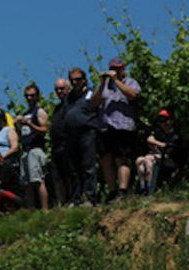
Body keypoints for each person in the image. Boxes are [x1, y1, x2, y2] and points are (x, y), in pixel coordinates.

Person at [91, 56, 141, 201]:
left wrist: (116, 81)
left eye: (117, 68)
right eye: (112, 68)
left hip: (123, 127)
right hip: (105, 128)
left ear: (123, 68)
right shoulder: (105, 86)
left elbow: (133, 95)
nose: (114, 71)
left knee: (122, 159)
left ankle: (123, 190)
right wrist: (102, 84)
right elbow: (93, 103)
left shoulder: (130, 82)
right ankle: (112, 191)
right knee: (106, 160)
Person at [63, 68, 99, 206]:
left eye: (78, 79)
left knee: (88, 165)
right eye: (72, 80)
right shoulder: (70, 96)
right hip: (71, 134)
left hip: (87, 131)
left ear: (84, 79)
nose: (75, 82)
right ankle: (76, 197)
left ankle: (90, 197)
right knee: (74, 167)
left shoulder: (91, 92)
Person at [16, 83, 49, 210]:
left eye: (32, 95)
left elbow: (44, 130)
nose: (29, 98)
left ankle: (45, 209)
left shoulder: (39, 112)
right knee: (27, 183)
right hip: (25, 149)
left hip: (36, 149)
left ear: (37, 96)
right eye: (27, 96)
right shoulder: (26, 113)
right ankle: (31, 209)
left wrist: (29, 124)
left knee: (38, 180)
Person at [135, 109, 184, 193]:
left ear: (171, 121)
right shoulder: (160, 133)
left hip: (171, 160)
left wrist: (156, 143)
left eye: (165, 120)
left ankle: (150, 187)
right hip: (159, 156)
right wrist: (156, 144)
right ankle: (143, 187)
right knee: (139, 160)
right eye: (160, 121)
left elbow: (170, 148)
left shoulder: (175, 135)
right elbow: (152, 142)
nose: (163, 123)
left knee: (148, 159)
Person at [49, 78, 71, 205]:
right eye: (57, 89)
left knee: (69, 174)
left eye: (62, 88)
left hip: (68, 143)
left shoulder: (72, 104)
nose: (59, 91)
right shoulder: (57, 108)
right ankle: (61, 202)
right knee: (57, 176)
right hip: (56, 145)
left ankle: (73, 199)